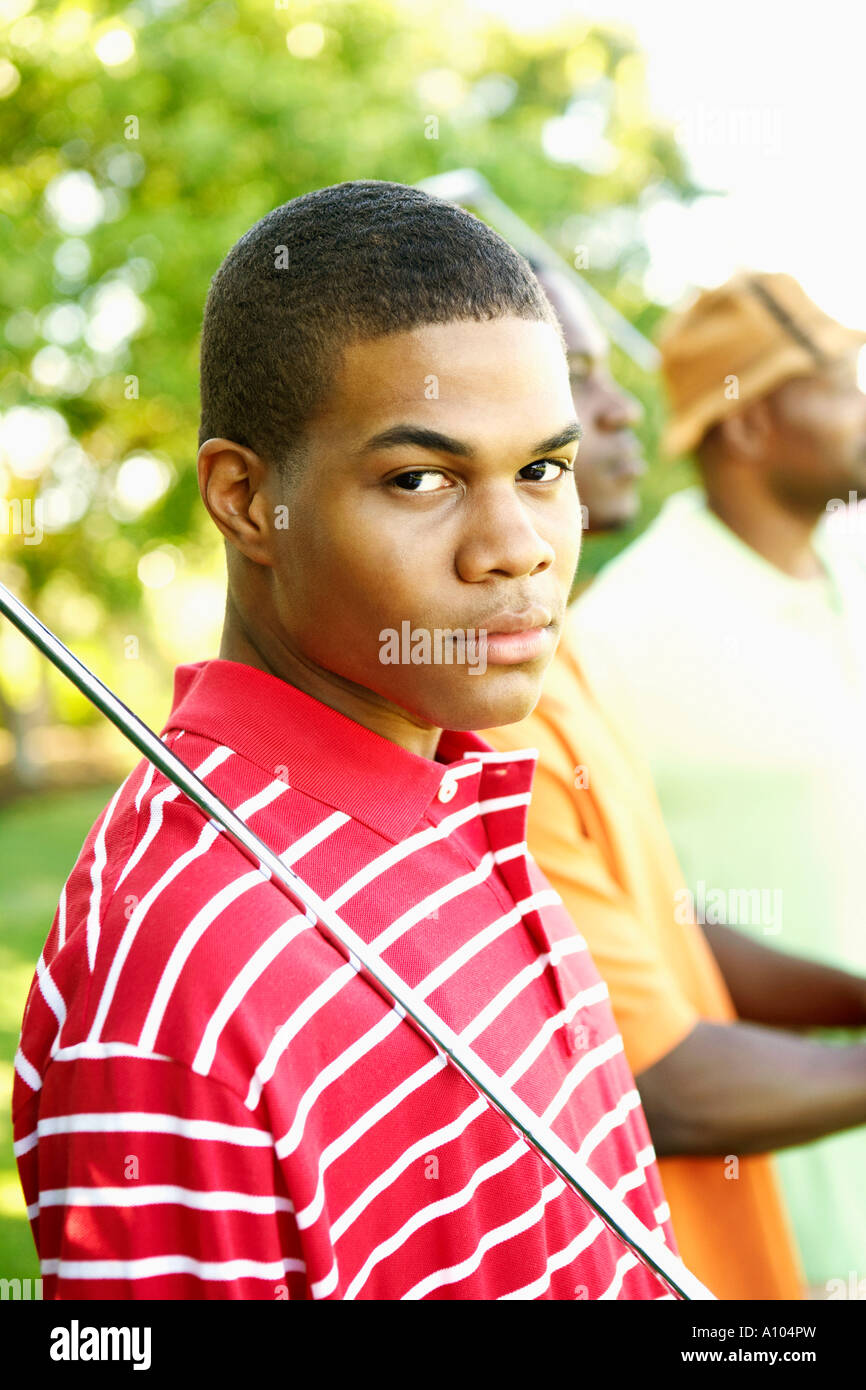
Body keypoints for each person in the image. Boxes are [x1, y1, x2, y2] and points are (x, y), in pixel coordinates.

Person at [12, 181, 682, 1301]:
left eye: (541, 470)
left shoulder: (450, 775)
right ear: (243, 499)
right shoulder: (188, 966)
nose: (514, 548)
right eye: (420, 477)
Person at [567, 271, 866, 1292]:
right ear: (746, 426)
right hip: (778, 1203)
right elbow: (648, 935)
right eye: (835, 381)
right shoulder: (616, 633)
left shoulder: (849, 567)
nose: (861, 401)